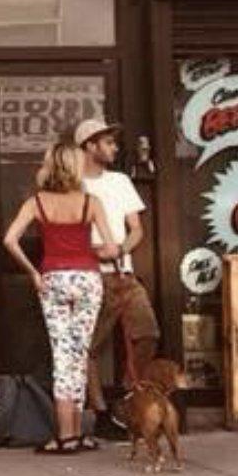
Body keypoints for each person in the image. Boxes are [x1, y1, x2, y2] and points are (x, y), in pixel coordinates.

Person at [1, 141, 124, 454]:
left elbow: (10, 240)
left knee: (62, 355)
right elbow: (112, 248)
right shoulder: (91, 202)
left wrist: (33, 272)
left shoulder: (37, 202)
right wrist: (92, 251)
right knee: (80, 354)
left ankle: (65, 435)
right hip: (87, 279)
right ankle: (78, 432)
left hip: (53, 278)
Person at [73, 117, 160, 431]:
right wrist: (92, 250)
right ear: (90, 146)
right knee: (87, 346)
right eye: (108, 142)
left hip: (123, 272)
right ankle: (99, 413)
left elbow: (136, 229)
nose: (114, 148)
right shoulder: (73, 184)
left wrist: (120, 249)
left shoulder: (120, 181)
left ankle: (126, 397)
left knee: (148, 332)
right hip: (89, 274)